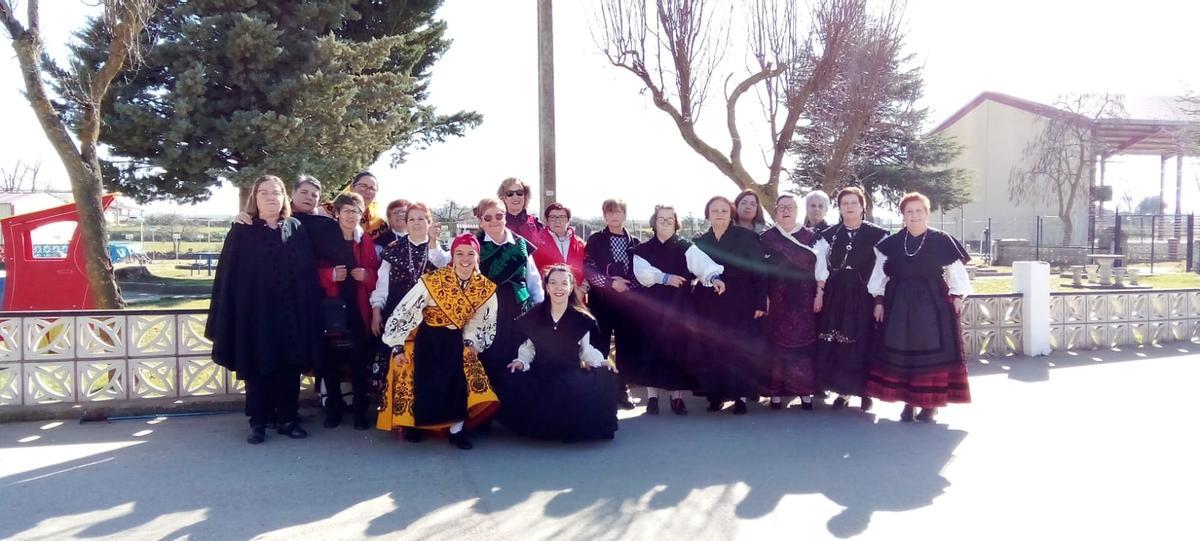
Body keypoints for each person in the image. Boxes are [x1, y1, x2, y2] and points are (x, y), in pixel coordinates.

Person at [206, 174, 321, 444]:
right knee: (257, 367)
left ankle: (288, 419)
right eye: (264, 193)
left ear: (284, 198)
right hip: (255, 315)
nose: (271, 198)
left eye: (276, 193)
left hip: (289, 314)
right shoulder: (242, 231)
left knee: (289, 366)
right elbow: (229, 278)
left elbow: (305, 275)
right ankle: (258, 422)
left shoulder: (295, 227)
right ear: (254, 198)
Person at [377, 234, 500, 449]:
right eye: (459, 253)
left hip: (455, 338)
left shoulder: (485, 288)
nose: (465, 258)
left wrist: (471, 342)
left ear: (477, 257)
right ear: (452, 255)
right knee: (421, 380)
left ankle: (456, 431)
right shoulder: (434, 280)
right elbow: (407, 309)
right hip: (428, 337)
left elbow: (480, 319)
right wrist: (397, 345)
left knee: (459, 383)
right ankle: (415, 426)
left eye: (470, 254)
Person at [867, 192, 972, 423]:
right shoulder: (890, 244)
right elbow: (878, 278)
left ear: (927, 213)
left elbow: (957, 275)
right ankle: (908, 402)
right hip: (898, 305)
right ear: (903, 215)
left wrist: (957, 297)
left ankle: (929, 405)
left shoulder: (942, 240)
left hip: (932, 305)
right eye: (909, 211)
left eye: (919, 211)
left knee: (931, 354)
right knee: (903, 353)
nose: (914, 216)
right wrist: (878, 302)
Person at [499, 264, 620, 442]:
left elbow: (586, 351)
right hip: (541, 376)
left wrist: (602, 362)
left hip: (570, 376)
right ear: (546, 287)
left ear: (571, 287)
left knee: (605, 376)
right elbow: (528, 348)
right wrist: (521, 361)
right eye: (553, 283)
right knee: (510, 376)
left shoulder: (581, 318)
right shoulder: (535, 315)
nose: (558, 288)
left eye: (564, 283)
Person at [631, 204, 725, 415]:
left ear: (676, 223)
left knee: (678, 350)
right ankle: (652, 399)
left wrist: (714, 277)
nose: (665, 222)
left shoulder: (685, 246)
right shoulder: (642, 249)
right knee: (651, 348)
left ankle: (677, 399)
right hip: (652, 304)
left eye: (670, 219)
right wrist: (665, 278)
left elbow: (702, 265)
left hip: (679, 305)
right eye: (661, 219)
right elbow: (643, 274)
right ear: (654, 222)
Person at [689, 196, 768, 415]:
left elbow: (760, 271)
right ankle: (715, 395)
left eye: (724, 210)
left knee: (739, 349)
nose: (720, 214)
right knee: (713, 348)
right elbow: (693, 271)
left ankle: (740, 395)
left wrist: (761, 301)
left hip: (741, 300)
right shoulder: (701, 242)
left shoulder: (747, 237)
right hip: (709, 302)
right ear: (708, 214)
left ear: (731, 213)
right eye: (715, 210)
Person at [816, 186, 888, 412]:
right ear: (839, 207)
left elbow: (882, 270)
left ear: (862, 206)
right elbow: (820, 267)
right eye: (844, 203)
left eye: (853, 203)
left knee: (862, 341)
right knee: (837, 342)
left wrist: (878, 299)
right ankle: (843, 390)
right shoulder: (828, 235)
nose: (849, 207)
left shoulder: (879, 235)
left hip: (863, 293)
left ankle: (866, 392)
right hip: (836, 294)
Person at [369, 203, 449, 397]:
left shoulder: (438, 251)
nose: (416, 223)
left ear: (429, 222)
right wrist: (377, 310)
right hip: (397, 316)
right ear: (406, 223)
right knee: (398, 364)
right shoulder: (393, 249)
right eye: (411, 219)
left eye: (421, 218)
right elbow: (382, 285)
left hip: (428, 320)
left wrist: (432, 242)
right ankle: (398, 418)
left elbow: (441, 264)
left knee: (424, 368)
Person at [316, 192, 380, 429]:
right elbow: (311, 272)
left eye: (356, 211)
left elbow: (377, 273)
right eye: (347, 211)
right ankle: (333, 409)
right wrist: (329, 276)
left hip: (357, 308)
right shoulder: (325, 240)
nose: (352, 216)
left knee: (358, 363)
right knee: (330, 364)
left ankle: (360, 412)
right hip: (331, 309)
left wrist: (367, 276)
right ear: (337, 213)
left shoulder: (365, 241)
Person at [759, 194, 829, 410]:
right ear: (775, 211)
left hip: (804, 298)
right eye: (782, 207)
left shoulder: (813, 237)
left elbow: (821, 270)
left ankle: (805, 392)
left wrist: (820, 294)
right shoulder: (766, 238)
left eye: (790, 207)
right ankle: (775, 394)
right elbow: (760, 272)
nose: (786, 211)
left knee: (804, 346)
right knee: (776, 346)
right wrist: (765, 298)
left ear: (798, 211)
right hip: (777, 298)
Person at [473, 197, 545, 402]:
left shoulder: (521, 245)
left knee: (518, 354)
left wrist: (540, 310)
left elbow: (533, 280)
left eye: (499, 215)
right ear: (481, 221)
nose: (494, 221)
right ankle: (489, 408)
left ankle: (516, 407)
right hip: (488, 312)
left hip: (519, 310)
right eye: (488, 217)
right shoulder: (475, 246)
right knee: (489, 357)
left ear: (505, 217)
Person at [584, 198, 642, 410]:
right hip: (602, 301)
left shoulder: (635, 242)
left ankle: (622, 389)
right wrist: (611, 283)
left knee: (625, 346)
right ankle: (599, 389)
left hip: (627, 303)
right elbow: (588, 269)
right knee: (599, 344)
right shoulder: (595, 240)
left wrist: (629, 287)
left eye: (619, 212)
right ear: (604, 216)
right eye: (610, 212)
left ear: (625, 215)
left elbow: (641, 271)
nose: (615, 216)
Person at [531, 203, 587, 290]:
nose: (557, 221)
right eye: (553, 217)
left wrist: (582, 289)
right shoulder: (536, 243)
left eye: (562, 217)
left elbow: (588, 271)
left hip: (576, 296)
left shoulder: (580, 244)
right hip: (548, 296)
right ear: (547, 220)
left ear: (568, 220)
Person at [322, 171, 387, 237]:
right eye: (363, 186)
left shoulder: (379, 225)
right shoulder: (326, 210)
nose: (368, 191)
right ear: (352, 187)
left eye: (372, 188)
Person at [498, 177, 545, 241]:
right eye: (510, 194)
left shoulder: (536, 224)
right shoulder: (496, 223)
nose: (515, 197)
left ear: (525, 196)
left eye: (519, 193)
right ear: (504, 198)